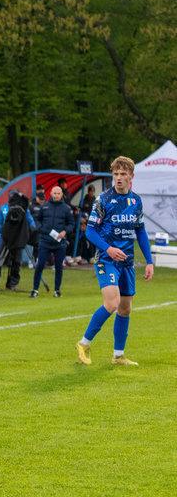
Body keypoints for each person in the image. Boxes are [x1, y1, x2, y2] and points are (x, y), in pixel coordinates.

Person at [75, 157, 154, 366]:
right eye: (115, 174)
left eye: (123, 175)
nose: (118, 178)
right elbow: (90, 232)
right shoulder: (103, 200)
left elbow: (141, 231)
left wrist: (149, 261)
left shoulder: (136, 201)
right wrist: (108, 248)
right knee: (112, 303)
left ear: (131, 177)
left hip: (127, 262)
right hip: (106, 259)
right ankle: (84, 343)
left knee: (125, 308)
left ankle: (118, 355)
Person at [29, 186, 74, 298]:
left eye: (58, 193)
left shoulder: (67, 208)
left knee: (59, 266)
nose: (56, 196)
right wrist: (41, 229)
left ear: (62, 194)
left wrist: (64, 231)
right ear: (51, 194)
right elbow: (37, 220)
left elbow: (71, 224)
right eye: (54, 193)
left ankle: (57, 291)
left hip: (60, 242)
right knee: (40, 265)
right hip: (45, 240)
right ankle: (35, 290)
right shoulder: (44, 206)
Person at [0, 190, 36, 292]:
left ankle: (12, 284)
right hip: (4, 240)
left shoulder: (24, 209)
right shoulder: (3, 208)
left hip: (18, 240)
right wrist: (6, 231)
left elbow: (31, 222)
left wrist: (29, 232)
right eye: (11, 196)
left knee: (17, 262)